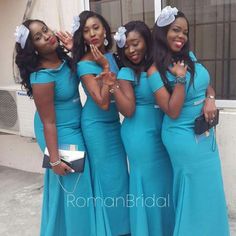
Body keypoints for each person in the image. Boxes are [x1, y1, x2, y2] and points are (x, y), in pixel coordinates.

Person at [147, 6, 229, 236]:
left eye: (185, 32)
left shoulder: (189, 57)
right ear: (162, 32)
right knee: (193, 191)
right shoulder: (154, 70)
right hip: (181, 136)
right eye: (175, 30)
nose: (181, 36)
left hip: (204, 132)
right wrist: (180, 79)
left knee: (210, 188)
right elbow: (171, 111)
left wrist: (210, 99)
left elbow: (206, 84)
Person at [15, 19, 96, 236]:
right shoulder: (41, 77)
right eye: (38, 38)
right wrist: (55, 160)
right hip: (56, 130)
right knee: (75, 185)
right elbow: (48, 122)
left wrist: (74, 50)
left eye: (45, 30)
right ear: (33, 49)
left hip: (73, 125)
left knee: (72, 187)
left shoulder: (63, 60)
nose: (46, 36)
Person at [110, 21, 175, 236]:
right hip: (140, 136)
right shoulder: (126, 73)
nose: (131, 50)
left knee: (164, 183)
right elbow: (127, 111)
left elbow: (199, 82)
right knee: (147, 186)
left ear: (147, 40)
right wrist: (114, 86)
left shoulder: (160, 64)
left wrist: (210, 97)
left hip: (163, 131)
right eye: (125, 47)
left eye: (135, 43)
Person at [71, 11, 130, 236]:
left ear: (105, 29)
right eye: (86, 31)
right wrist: (105, 68)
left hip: (115, 125)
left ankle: (125, 228)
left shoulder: (114, 57)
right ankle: (111, 230)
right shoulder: (85, 65)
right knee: (107, 180)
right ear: (82, 37)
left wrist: (107, 63)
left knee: (120, 178)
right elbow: (103, 103)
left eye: (95, 28)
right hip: (96, 127)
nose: (92, 34)